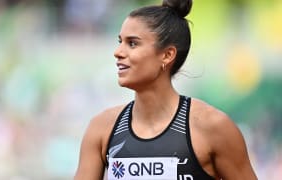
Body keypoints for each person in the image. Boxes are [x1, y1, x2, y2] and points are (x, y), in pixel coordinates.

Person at [74, 0, 258, 179]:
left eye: (132, 43)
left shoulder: (213, 127)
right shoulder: (102, 128)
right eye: (120, 41)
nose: (118, 52)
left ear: (167, 55)